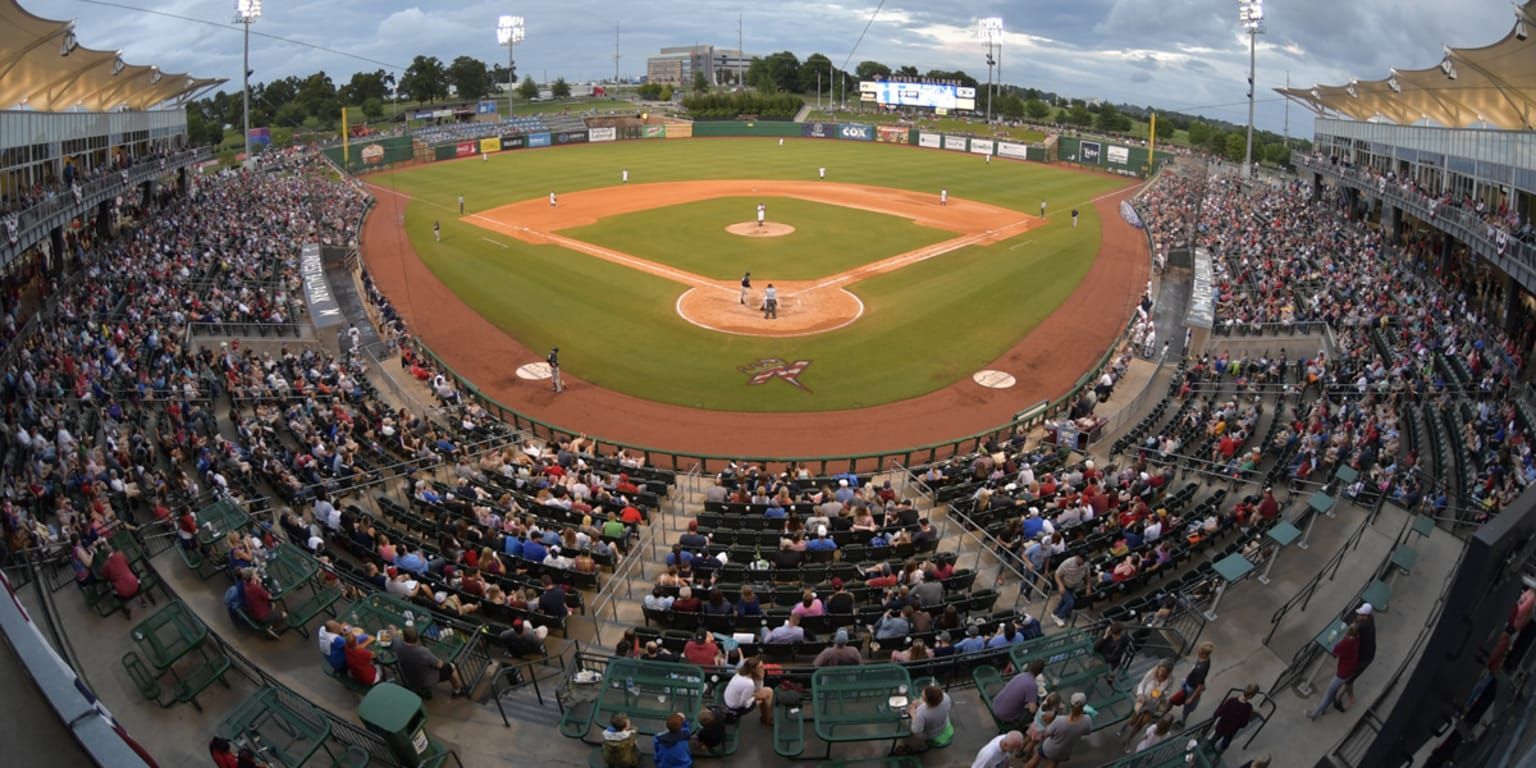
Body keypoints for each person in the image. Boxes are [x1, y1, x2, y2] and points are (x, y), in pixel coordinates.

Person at [396, 626, 468, 698]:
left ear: (404, 637)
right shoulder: (422, 652)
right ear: (417, 638)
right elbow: (439, 665)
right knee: (452, 667)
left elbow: (394, 637)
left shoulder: (398, 645)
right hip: (426, 679)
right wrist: (441, 661)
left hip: (409, 677)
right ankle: (457, 691)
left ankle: (422, 690)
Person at [1027, 692, 1092, 768]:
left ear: (1071, 705)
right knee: (1053, 763)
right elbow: (1087, 731)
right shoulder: (1087, 720)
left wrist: (1048, 722)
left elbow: (1044, 734)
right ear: (1084, 706)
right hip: (1064, 752)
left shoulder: (1059, 720)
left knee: (1036, 758)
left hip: (1049, 748)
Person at [1310, 623, 1360, 720]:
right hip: (1350, 671)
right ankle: (1323, 709)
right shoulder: (1357, 639)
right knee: (1333, 692)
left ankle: (1314, 714)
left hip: (1342, 674)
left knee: (1328, 694)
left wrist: (1341, 641)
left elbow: (1335, 651)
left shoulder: (1346, 643)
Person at [897, 684, 953, 754]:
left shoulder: (922, 713)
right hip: (943, 724)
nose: (921, 696)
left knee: (906, 724)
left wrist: (913, 714)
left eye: (923, 697)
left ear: (927, 701)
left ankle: (909, 745)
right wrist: (920, 703)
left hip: (930, 733)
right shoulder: (946, 697)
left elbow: (915, 730)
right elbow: (934, 707)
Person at [1340, 603, 1376, 709]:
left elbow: (1350, 635)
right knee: (1350, 678)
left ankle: (1343, 698)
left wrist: (1352, 627)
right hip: (1368, 654)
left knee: (1349, 678)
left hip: (1364, 659)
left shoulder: (1363, 627)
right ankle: (1349, 696)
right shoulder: (1370, 619)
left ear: (1365, 616)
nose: (1358, 615)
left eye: (1360, 614)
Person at [992, 659, 1046, 725]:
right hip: (1003, 715)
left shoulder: (1021, 675)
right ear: (1040, 672)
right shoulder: (1032, 685)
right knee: (1036, 714)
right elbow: (1032, 710)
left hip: (996, 704)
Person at [1209, 684, 1260, 753]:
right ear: (1251, 696)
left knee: (1214, 739)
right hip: (1231, 731)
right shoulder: (1248, 708)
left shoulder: (1231, 700)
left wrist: (1215, 717)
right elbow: (1243, 724)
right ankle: (1218, 754)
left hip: (1221, 726)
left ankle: (1208, 749)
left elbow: (1218, 712)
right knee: (1225, 743)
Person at [723, 657, 774, 724]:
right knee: (768, 693)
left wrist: (760, 679)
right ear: (754, 670)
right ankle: (767, 719)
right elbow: (744, 703)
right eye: (760, 667)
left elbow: (758, 689)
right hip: (737, 707)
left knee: (766, 692)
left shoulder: (740, 674)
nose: (763, 669)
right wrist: (754, 698)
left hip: (729, 700)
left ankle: (766, 718)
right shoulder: (749, 683)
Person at [241, 568, 286, 640]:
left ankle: (270, 625)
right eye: (255, 574)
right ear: (252, 577)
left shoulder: (246, 585)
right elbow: (269, 596)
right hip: (263, 615)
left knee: (273, 606)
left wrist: (258, 582)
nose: (257, 574)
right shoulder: (255, 588)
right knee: (284, 614)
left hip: (256, 613)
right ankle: (271, 628)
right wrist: (259, 584)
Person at [1176, 641, 1215, 724]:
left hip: (1191, 688)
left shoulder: (1202, 668)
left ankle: (1183, 721)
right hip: (1188, 682)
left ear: (1204, 654)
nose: (1197, 652)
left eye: (1200, 651)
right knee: (1178, 698)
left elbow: (1200, 686)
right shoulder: (1203, 659)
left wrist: (1191, 698)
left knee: (1187, 706)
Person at [1051, 554, 1090, 627]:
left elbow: (1087, 575)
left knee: (1064, 601)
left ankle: (1055, 612)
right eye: (1083, 560)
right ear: (1078, 557)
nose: (1083, 562)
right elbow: (1057, 574)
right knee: (1070, 602)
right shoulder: (1068, 563)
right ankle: (1059, 616)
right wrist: (1060, 585)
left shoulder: (1085, 564)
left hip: (1074, 586)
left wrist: (1088, 587)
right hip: (1064, 585)